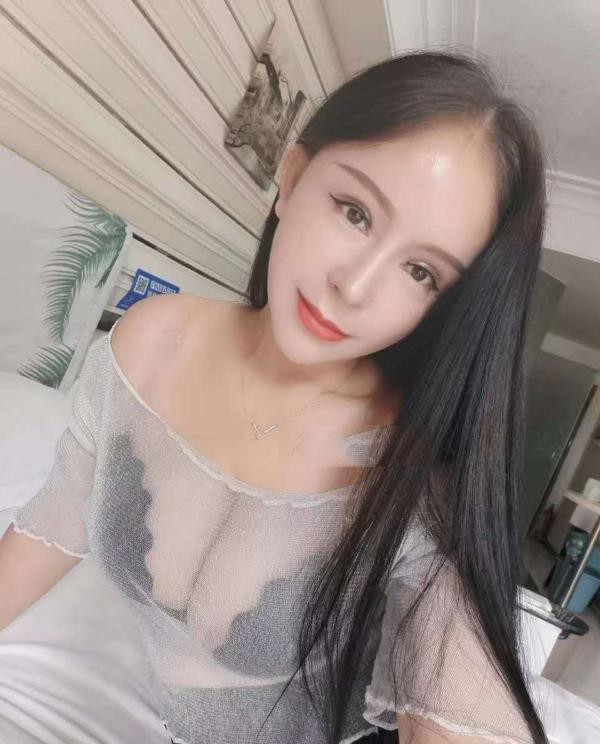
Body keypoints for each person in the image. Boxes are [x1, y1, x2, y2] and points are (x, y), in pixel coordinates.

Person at [0, 49, 548, 744]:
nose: (355, 286)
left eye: (420, 271)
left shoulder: (414, 484)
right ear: (291, 179)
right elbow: (51, 523)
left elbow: (458, 699)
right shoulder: (149, 343)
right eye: (355, 212)